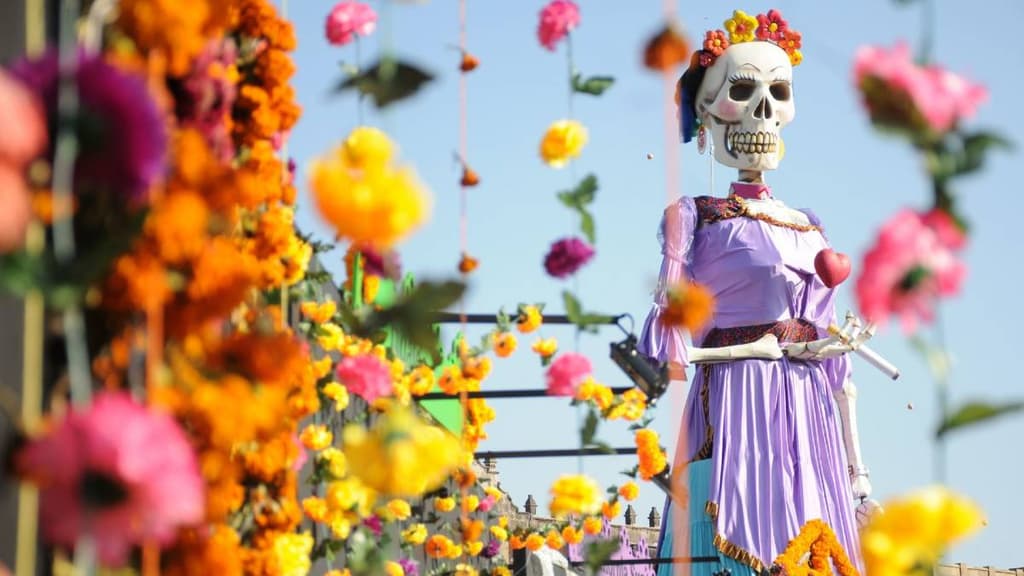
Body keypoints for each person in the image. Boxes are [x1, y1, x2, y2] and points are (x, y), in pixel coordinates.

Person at [638, 9, 868, 576]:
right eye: (741, 92)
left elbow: (839, 373)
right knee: (746, 539)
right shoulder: (696, 217)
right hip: (739, 398)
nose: (763, 111)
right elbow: (666, 350)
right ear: (705, 112)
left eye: (778, 94)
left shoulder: (808, 226)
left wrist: (858, 471)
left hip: (808, 411)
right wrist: (749, 351)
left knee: (813, 544)